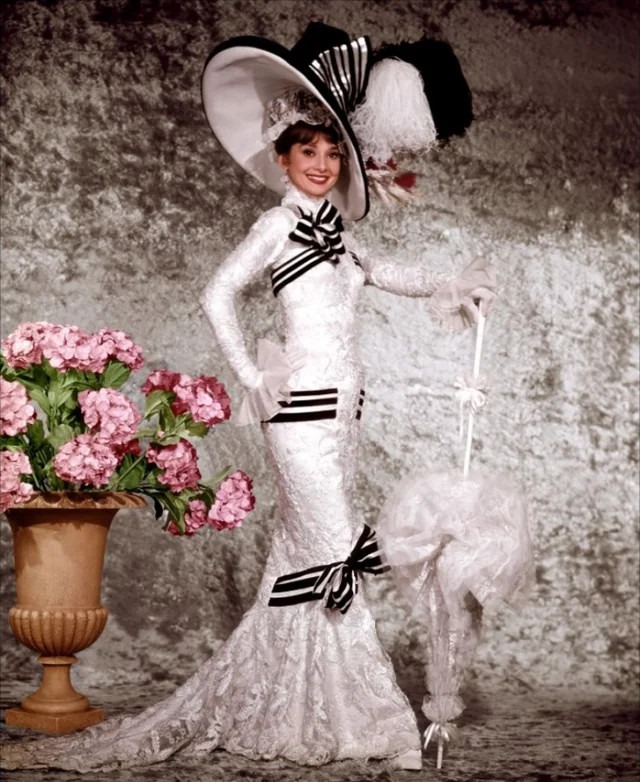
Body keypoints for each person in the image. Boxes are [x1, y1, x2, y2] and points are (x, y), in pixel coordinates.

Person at [0, 23, 494, 773]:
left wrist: (456, 285)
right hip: (297, 418)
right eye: (307, 151)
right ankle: (374, 722)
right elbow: (216, 293)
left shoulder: (341, 233)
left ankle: (292, 700)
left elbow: (392, 273)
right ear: (282, 157)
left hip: (344, 418)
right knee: (335, 552)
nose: (322, 164)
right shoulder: (277, 224)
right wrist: (253, 375)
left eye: (332, 153)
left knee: (304, 560)